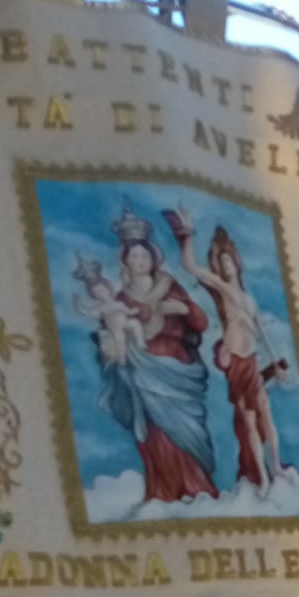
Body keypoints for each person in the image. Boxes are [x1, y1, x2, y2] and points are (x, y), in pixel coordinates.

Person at [168, 206, 289, 492]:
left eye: (229, 261)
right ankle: (261, 476)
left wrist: (276, 365)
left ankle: (277, 465)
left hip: (253, 358)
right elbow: (190, 267)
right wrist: (187, 237)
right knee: (248, 423)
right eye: (221, 263)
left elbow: (263, 334)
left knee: (266, 413)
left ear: (236, 262)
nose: (226, 267)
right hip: (236, 361)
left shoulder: (249, 299)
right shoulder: (223, 288)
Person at [105, 204, 219, 503]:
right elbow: (112, 336)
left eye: (145, 255)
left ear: (153, 257)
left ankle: (197, 488)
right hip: (144, 371)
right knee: (157, 435)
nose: (141, 260)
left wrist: (180, 308)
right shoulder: (121, 298)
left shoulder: (168, 286)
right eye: (135, 256)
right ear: (126, 262)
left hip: (177, 364)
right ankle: (165, 492)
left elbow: (201, 322)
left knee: (187, 432)